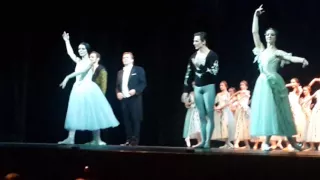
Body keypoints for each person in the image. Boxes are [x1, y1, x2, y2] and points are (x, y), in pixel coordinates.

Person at [249, 5, 309, 151]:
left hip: (274, 82)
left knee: (281, 110)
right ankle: (266, 142)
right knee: (267, 111)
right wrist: (256, 16)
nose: (269, 37)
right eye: (267, 35)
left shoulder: (277, 52)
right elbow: (254, 32)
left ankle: (292, 143)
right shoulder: (261, 50)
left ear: (276, 37)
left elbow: (291, 57)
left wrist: (302, 59)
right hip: (263, 82)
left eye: (272, 35)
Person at [58, 31, 119, 145]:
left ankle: (97, 139)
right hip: (78, 89)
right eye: (79, 49)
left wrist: (67, 77)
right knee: (74, 111)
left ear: (87, 50)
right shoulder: (78, 60)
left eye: (83, 49)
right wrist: (66, 41)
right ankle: (71, 138)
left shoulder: (90, 61)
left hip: (88, 89)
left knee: (93, 112)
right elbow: (70, 53)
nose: (80, 51)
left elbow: (82, 71)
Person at [182, 32, 219, 149]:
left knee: (209, 114)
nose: (194, 43)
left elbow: (215, 72)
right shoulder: (193, 57)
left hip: (208, 86)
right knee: (201, 116)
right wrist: (185, 91)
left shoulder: (212, 55)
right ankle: (203, 141)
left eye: (197, 41)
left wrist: (202, 66)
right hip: (197, 87)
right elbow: (188, 74)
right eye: (194, 41)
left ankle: (208, 141)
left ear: (203, 42)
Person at [116, 52, 147, 146]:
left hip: (134, 99)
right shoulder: (120, 72)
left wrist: (136, 90)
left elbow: (143, 83)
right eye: (123, 58)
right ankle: (128, 140)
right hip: (124, 99)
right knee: (126, 120)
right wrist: (118, 93)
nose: (124, 59)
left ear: (132, 59)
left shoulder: (138, 70)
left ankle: (135, 141)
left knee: (135, 119)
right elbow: (117, 86)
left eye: (127, 57)